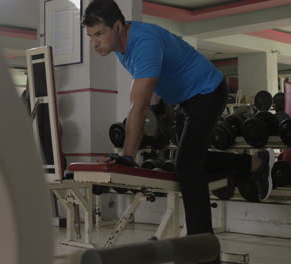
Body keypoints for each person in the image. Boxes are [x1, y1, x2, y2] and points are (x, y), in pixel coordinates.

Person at [83, 1, 274, 262]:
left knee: (187, 166)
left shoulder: (143, 42)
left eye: (99, 34)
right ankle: (255, 163)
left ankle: (204, 253)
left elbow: (138, 106)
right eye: (91, 36)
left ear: (117, 25)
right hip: (186, 100)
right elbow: (144, 98)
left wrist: (127, 156)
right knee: (186, 162)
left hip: (208, 92)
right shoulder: (119, 46)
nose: (94, 43)